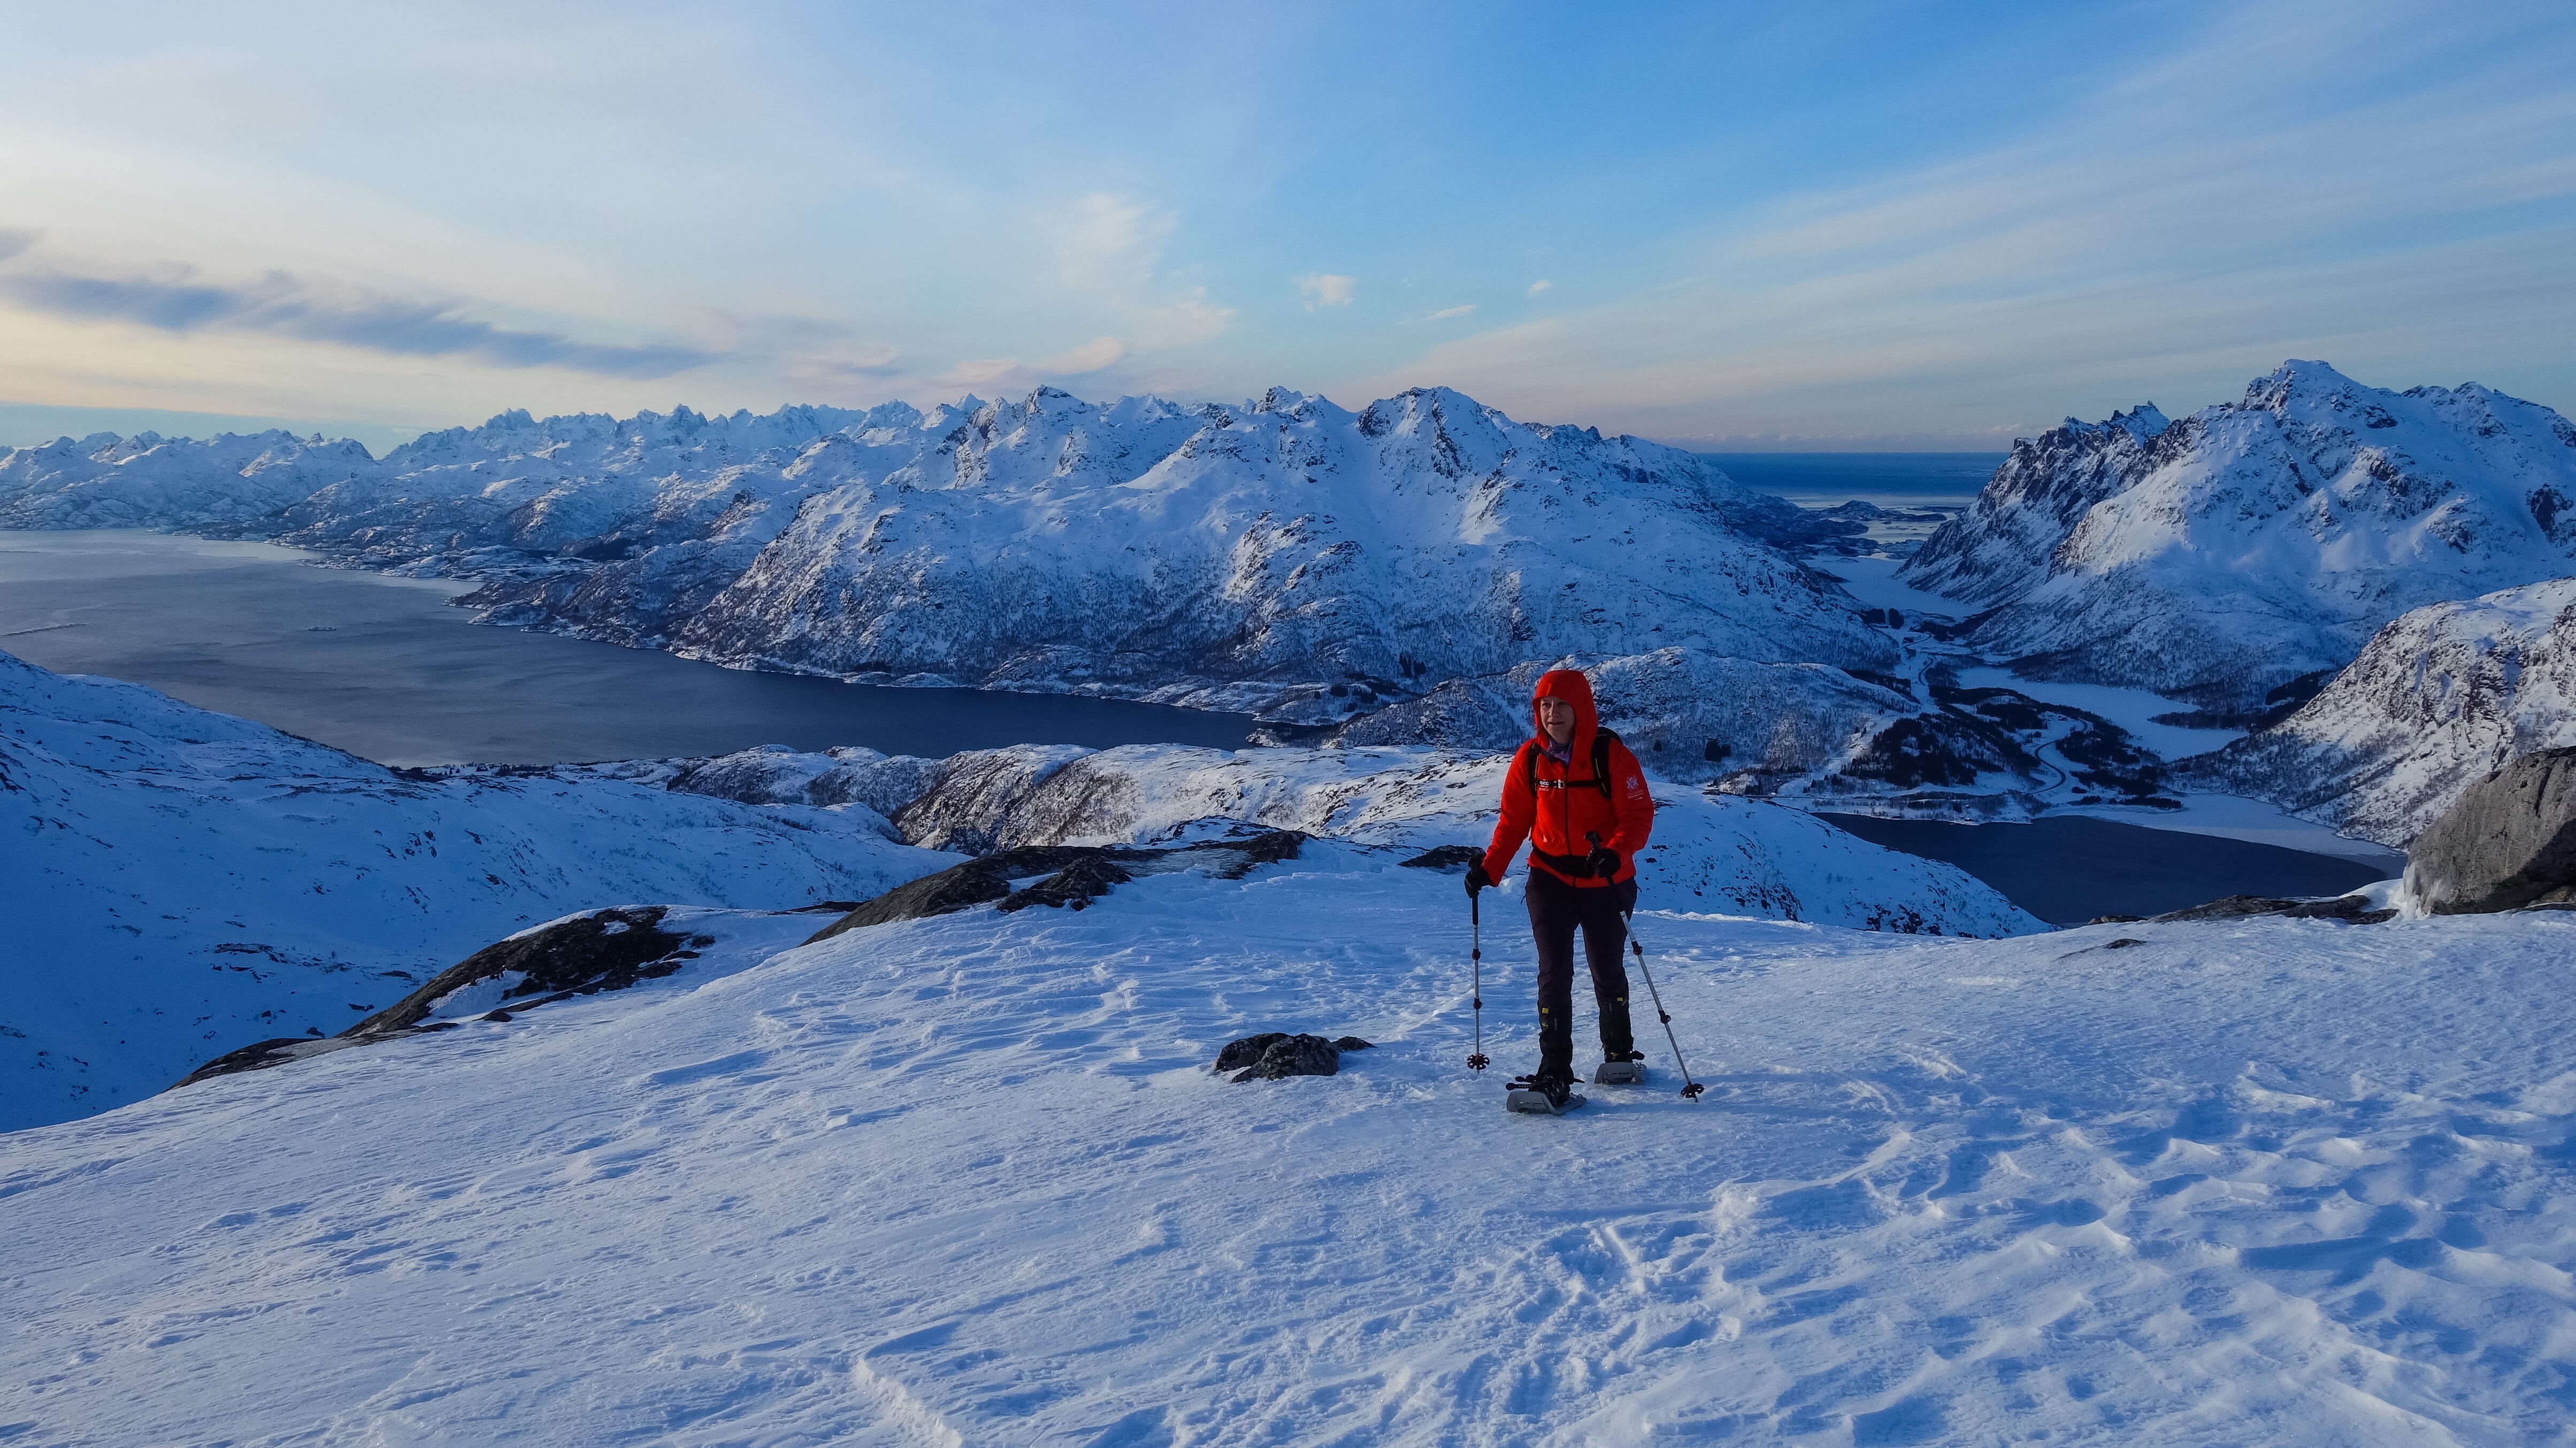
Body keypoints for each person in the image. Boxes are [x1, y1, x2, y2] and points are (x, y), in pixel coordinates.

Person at [1464, 669, 1654, 1106]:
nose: (1552, 714)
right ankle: (1555, 1071)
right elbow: (1514, 822)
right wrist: (1489, 871)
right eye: (1544, 706)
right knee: (1553, 974)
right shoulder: (1531, 760)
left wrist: (1615, 851)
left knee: (1606, 969)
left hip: (1605, 880)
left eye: (1561, 705)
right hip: (1549, 879)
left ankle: (1619, 1050)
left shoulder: (1611, 757)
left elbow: (1638, 816)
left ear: (1581, 709)